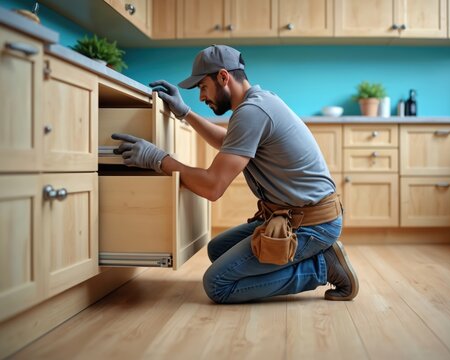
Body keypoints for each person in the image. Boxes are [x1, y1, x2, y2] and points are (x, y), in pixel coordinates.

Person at [112, 45, 359, 304]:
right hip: (302, 214)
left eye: (201, 87)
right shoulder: (257, 102)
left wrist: (158, 159)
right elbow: (229, 142)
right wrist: (185, 114)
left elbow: (212, 187)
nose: (201, 97)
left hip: (312, 223)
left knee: (217, 285)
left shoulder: (252, 112)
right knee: (217, 250)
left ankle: (323, 266)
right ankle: (310, 256)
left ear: (223, 77)